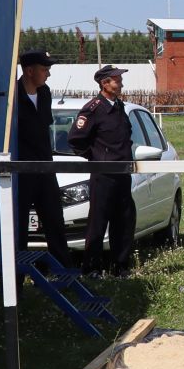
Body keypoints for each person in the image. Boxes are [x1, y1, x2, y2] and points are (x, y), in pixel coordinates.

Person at [68, 64, 136, 275]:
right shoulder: (94, 108)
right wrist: (98, 158)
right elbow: (76, 140)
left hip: (122, 174)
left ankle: (120, 266)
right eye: (117, 79)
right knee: (98, 223)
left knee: (124, 221)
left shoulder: (119, 107)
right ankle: (92, 268)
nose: (121, 83)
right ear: (105, 83)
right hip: (103, 176)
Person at [13, 49, 72, 269]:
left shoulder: (45, 93)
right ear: (29, 71)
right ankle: (17, 278)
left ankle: (64, 274)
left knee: (55, 222)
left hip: (45, 168)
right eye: (44, 69)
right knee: (19, 228)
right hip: (23, 171)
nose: (48, 74)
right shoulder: (14, 96)